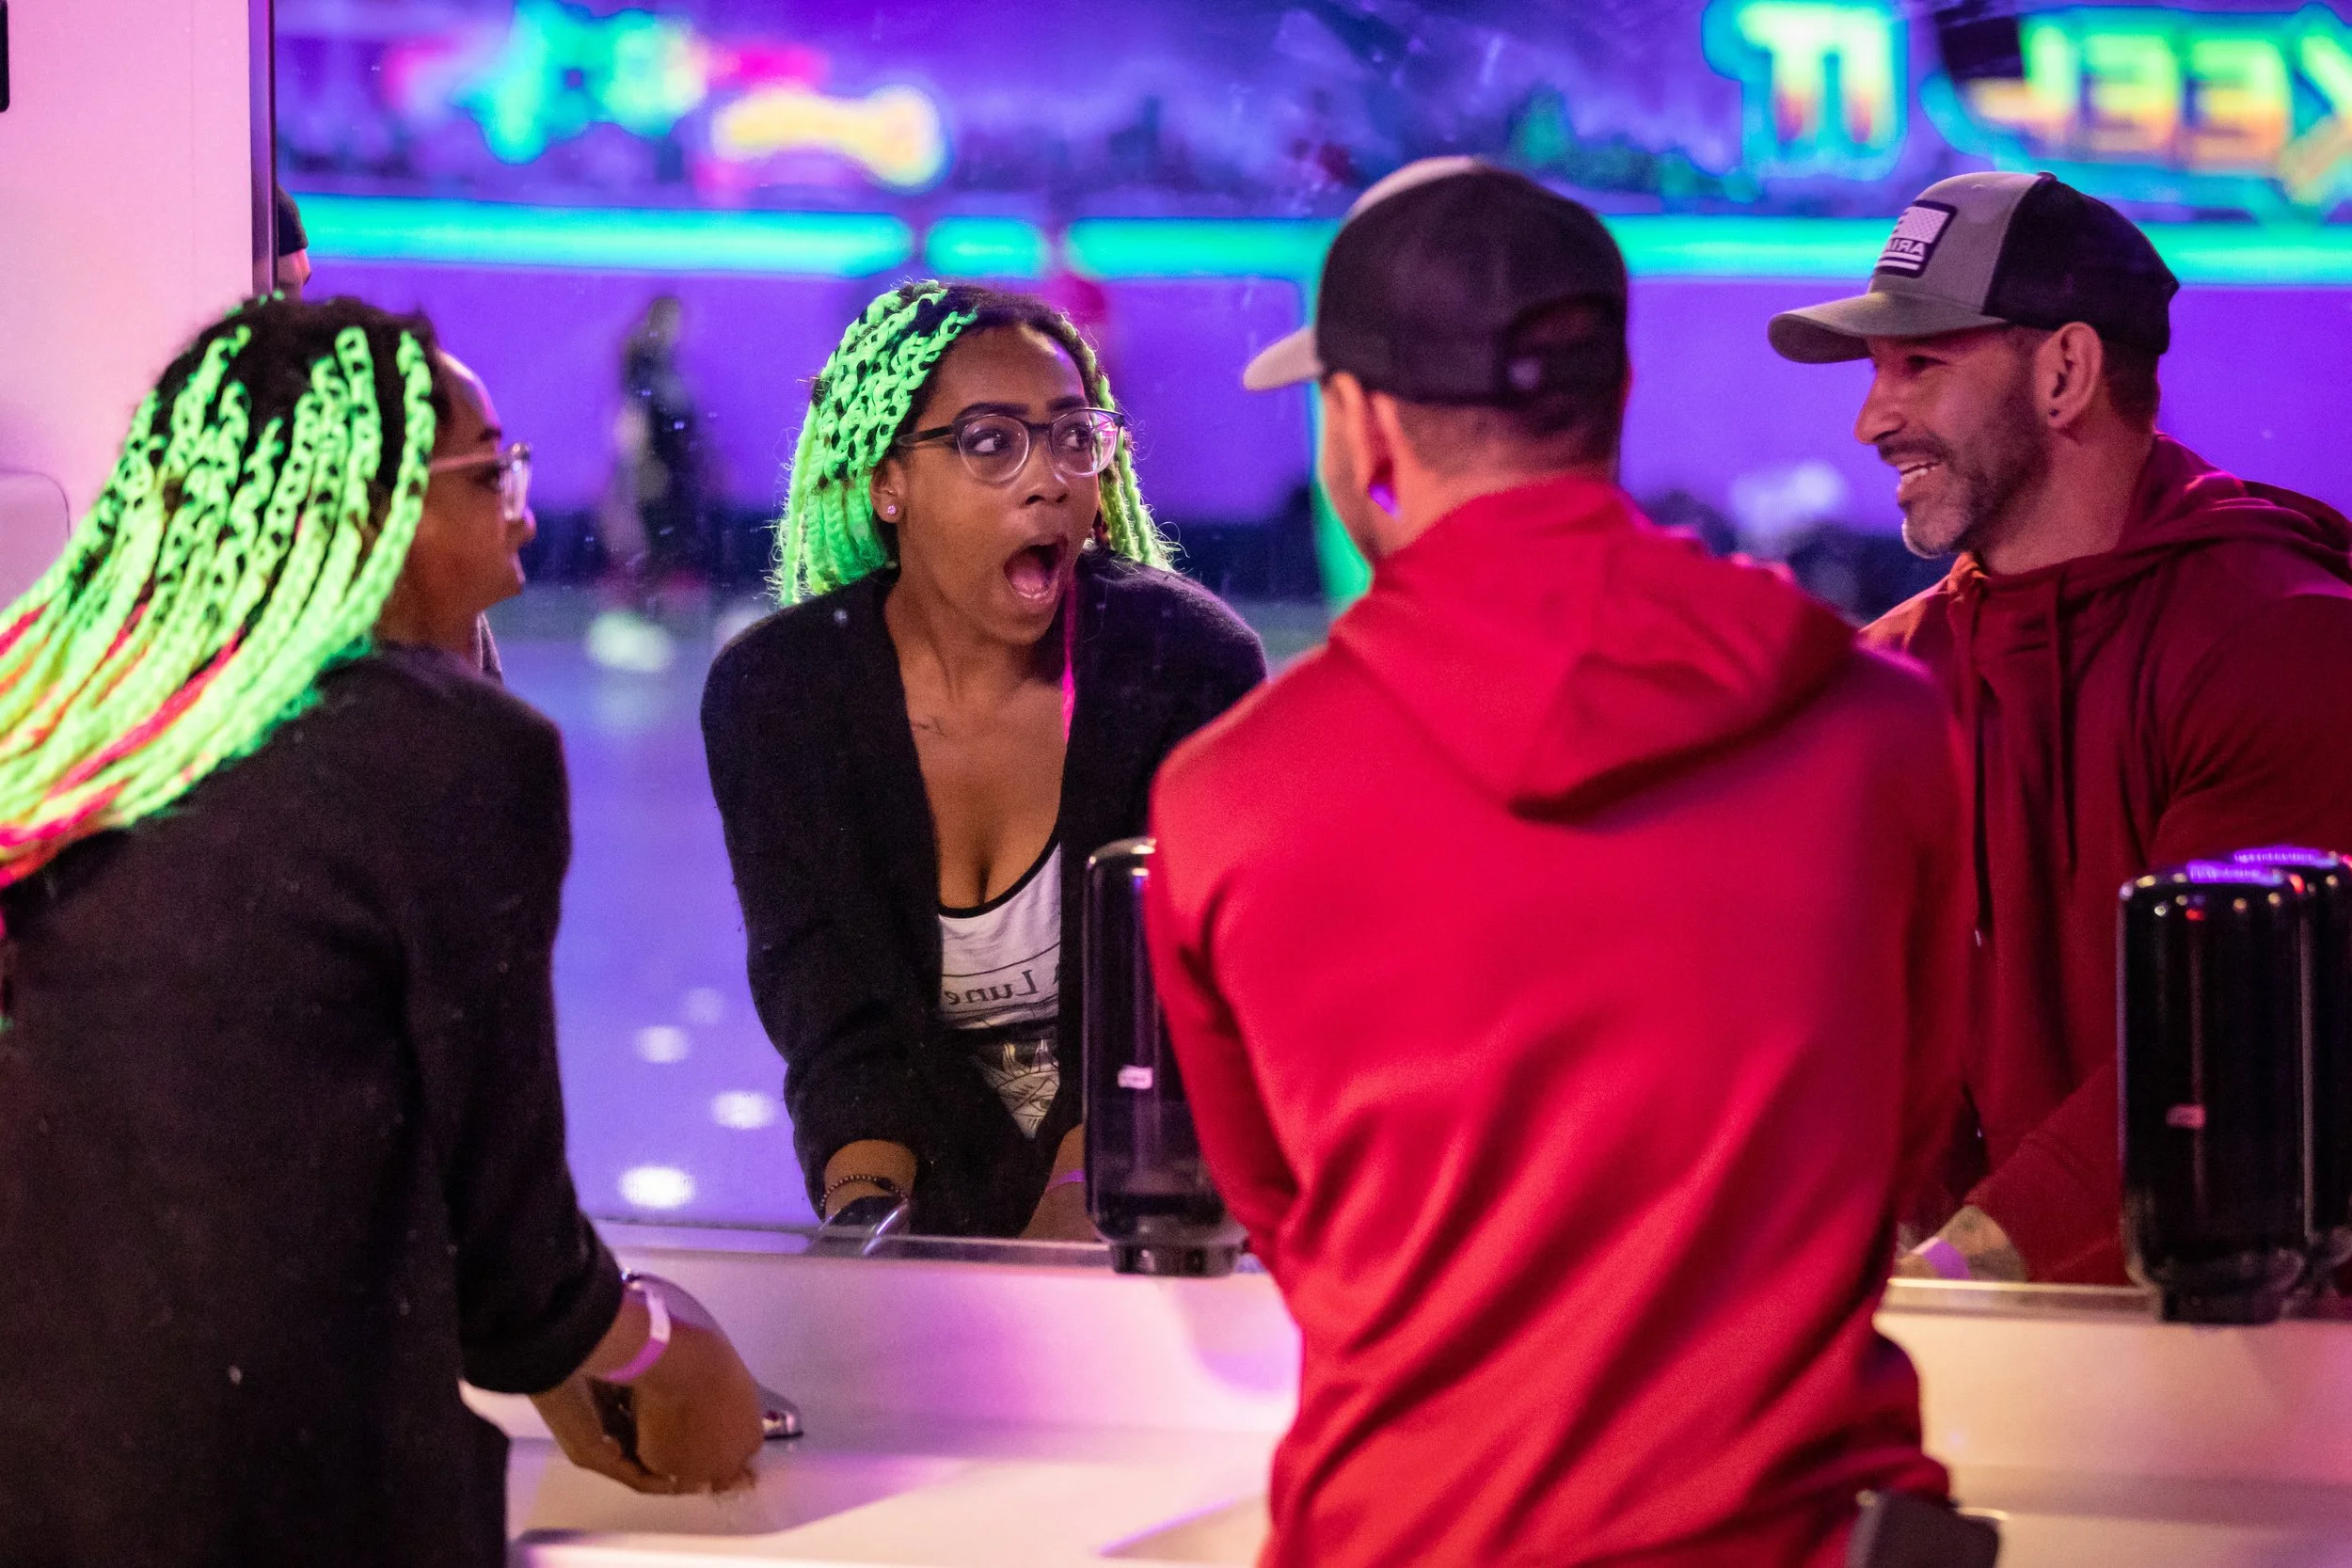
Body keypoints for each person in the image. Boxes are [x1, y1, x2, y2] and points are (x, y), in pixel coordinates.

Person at [1143, 158, 1972, 1568]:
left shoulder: (1226, 799)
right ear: (1616, 395)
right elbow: (1901, 1151)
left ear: (1357, 422)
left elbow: (1292, 1224)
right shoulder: (1885, 732)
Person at [0, 295, 764, 1566]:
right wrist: (649, 1355)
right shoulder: (447, 751)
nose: (524, 498)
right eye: (488, 470)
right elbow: (510, 1263)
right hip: (269, 1504)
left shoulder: (68, 735)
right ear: (367, 514)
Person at [1770, 171, 2352, 1286]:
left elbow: (2220, 1052)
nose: (1870, 417)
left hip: (2269, 1384)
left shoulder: (2282, 644)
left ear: (2065, 371)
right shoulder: (1889, 673)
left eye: (1920, 363)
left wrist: (1952, 1276)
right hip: (2005, 1367)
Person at [703, 282, 1264, 1240]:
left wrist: (1074, 1223)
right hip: (934, 1210)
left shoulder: (1187, 664)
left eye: (1074, 436)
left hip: (1158, 1194)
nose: (1048, 478)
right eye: (992, 441)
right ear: (889, 482)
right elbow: (836, 1026)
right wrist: (868, 1222)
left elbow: (1179, 1016)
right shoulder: (778, 694)